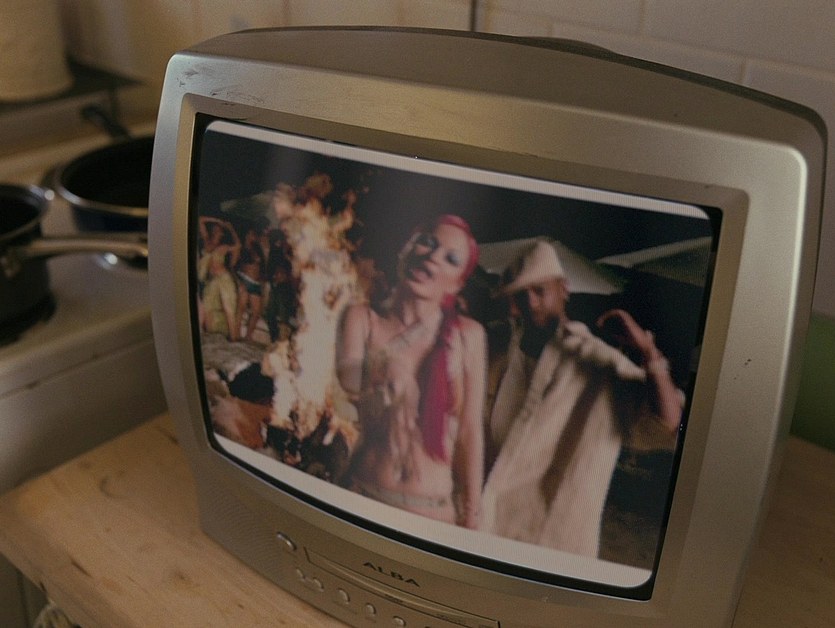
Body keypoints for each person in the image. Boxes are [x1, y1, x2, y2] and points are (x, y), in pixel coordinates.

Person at [481, 239, 682, 557]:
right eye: (521, 294)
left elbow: (667, 424)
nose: (530, 302)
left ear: (564, 290)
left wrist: (649, 353)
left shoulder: (596, 362)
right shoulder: (502, 352)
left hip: (552, 537)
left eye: (539, 291)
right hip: (488, 524)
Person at [336, 215, 487, 529]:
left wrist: (472, 515)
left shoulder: (468, 337)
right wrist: (382, 370)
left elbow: (470, 434)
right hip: (362, 497)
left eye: (451, 259)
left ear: (457, 283)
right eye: (427, 242)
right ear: (405, 250)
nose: (433, 256)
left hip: (431, 514)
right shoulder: (362, 318)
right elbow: (347, 386)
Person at [198, 216, 241, 341]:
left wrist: (231, 229)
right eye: (215, 229)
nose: (217, 231)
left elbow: (238, 245)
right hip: (211, 281)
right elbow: (200, 220)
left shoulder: (223, 247)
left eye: (219, 230)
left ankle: (233, 338)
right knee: (208, 308)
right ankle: (212, 337)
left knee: (228, 308)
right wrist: (217, 221)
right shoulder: (207, 241)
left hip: (224, 279)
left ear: (222, 234)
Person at [234, 222, 268, 341]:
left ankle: (248, 336)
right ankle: (236, 335)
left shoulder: (258, 249)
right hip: (245, 280)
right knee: (241, 308)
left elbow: (263, 266)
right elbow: (234, 266)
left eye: (255, 234)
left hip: (256, 284)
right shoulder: (242, 248)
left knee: (256, 312)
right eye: (252, 234)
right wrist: (239, 282)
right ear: (247, 234)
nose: (254, 236)